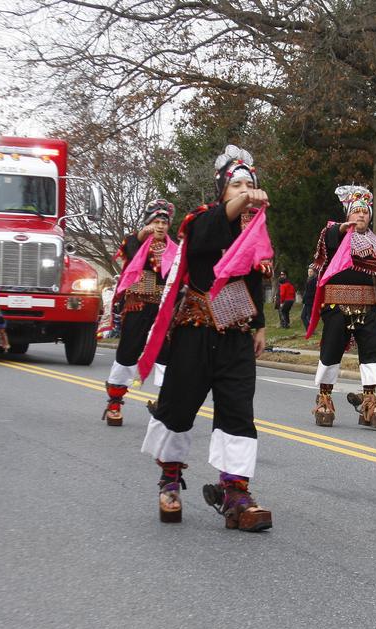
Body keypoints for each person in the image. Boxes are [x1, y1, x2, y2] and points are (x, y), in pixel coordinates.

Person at [137, 144, 272, 531]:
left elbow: (252, 282)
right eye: (237, 185)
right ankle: (170, 478)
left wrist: (259, 325)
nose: (246, 191)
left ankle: (235, 492)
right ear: (222, 191)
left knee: (237, 413)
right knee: (177, 409)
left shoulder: (255, 231)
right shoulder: (200, 221)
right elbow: (207, 236)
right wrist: (244, 200)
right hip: (195, 333)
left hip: (236, 334)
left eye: (250, 184)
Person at [305, 185, 376, 429]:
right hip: (337, 306)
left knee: (372, 354)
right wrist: (342, 229)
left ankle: (369, 400)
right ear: (348, 215)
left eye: (365, 212)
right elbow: (330, 239)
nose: (361, 215)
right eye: (356, 212)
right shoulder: (334, 235)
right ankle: (324, 398)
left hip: (369, 307)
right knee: (331, 353)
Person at [101, 199, 177, 425]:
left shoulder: (175, 249)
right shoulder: (134, 242)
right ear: (148, 223)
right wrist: (143, 234)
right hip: (138, 305)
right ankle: (114, 402)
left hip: (163, 309)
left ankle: (165, 404)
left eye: (165, 221)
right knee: (128, 351)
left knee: (166, 353)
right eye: (156, 221)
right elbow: (132, 254)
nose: (161, 225)